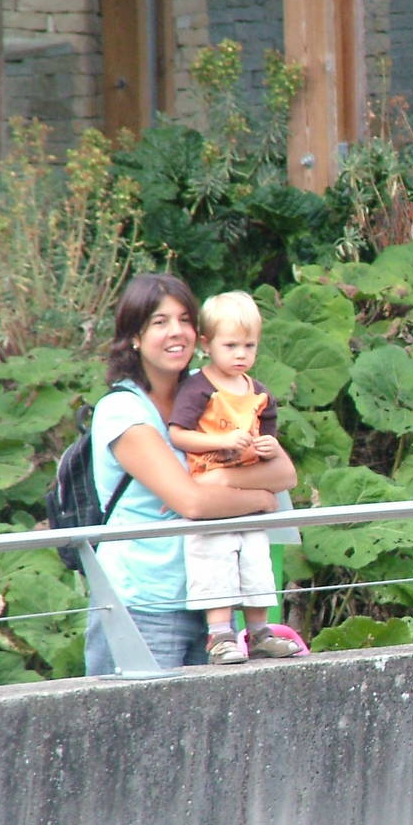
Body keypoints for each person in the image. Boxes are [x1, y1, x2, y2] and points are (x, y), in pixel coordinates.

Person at [84, 274, 297, 676]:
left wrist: (218, 484)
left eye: (184, 319)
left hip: (216, 605)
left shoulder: (211, 395)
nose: (176, 332)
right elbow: (193, 504)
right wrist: (261, 500)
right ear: (134, 335)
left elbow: (285, 472)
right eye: (159, 322)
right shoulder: (122, 411)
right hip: (145, 603)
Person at [167, 291, 302, 664]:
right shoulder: (199, 388)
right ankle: (220, 635)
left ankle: (259, 632)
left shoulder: (258, 392)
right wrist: (223, 440)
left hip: (246, 484)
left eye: (249, 346)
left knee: (256, 562)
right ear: (207, 345)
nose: (240, 355)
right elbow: (178, 433)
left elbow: (269, 434)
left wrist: (268, 448)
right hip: (210, 485)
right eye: (231, 346)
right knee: (213, 560)